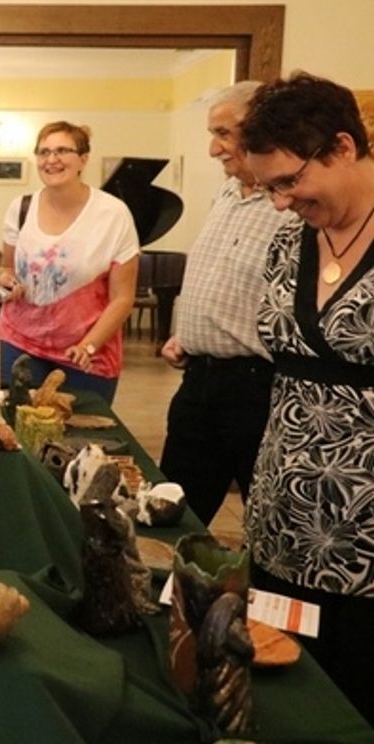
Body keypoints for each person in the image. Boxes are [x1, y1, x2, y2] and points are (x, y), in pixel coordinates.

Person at [240, 71, 374, 725]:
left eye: (290, 181)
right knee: (281, 682)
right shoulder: (287, 241)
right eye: (268, 187)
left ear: (344, 147)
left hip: (365, 538)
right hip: (281, 519)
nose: (280, 201)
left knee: (352, 696)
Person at [158, 82, 300, 526]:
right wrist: (188, 334)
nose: (212, 149)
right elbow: (222, 278)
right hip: (198, 381)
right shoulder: (225, 193)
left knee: (263, 521)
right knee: (171, 512)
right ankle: (167, 595)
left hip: (255, 390)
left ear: (262, 129)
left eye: (223, 133)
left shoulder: (294, 205)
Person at [0, 121, 139, 404]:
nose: (51, 160)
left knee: (78, 438)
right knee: (20, 431)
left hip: (84, 352)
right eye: (44, 152)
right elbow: (5, 268)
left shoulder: (113, 214)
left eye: (62, 151)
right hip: (21, 342)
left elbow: (123, 298)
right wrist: (6, 280)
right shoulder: (20, 207)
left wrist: (89, 345)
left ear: (83, 159)